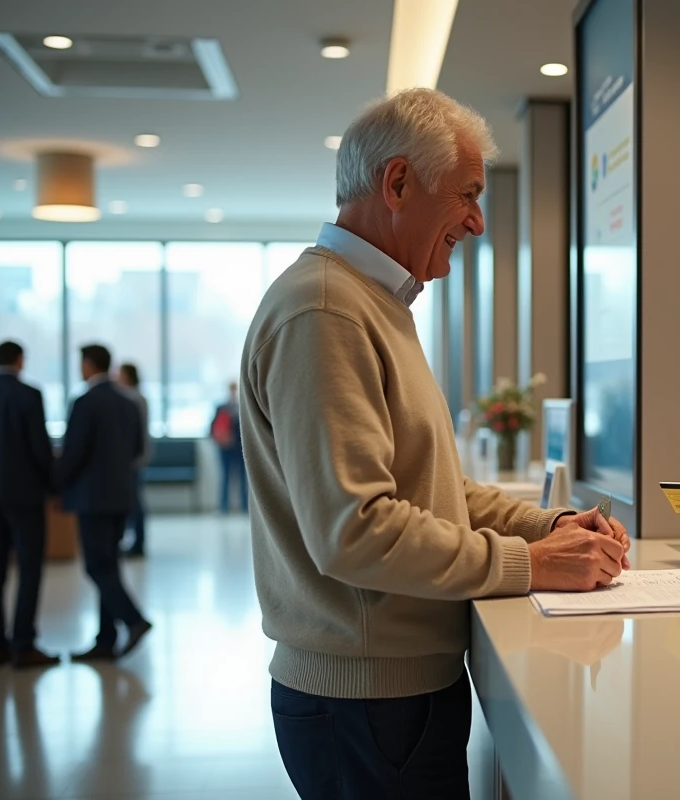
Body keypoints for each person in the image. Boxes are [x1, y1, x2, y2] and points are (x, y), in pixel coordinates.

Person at [241, 88, 629, 799]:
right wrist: (529, 563)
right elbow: (354, 532)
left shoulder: (373, 303)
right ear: (397, 183)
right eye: (468, 195)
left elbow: (432, 485)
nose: (478, 222)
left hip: (389, 695)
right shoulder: (326, 310)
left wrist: (548, 527)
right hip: (367, 703)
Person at [58, 344, 152, 660]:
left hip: (92, 498)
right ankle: (105, 640)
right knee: (108, 564)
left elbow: (74, 452)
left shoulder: (84, 403)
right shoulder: (128, 402)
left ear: (88, 365)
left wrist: (57, 485)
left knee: (97, 566)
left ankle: (134, 620)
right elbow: (138, 447)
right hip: (121, 495)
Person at [0, 341, 60, 668]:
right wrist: (53, 488)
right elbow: (39, 447)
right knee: (29, 568)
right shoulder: (28, 395)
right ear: (20, 360)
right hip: (24, 496)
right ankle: (23, 644)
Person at [116, 363, 151, 556]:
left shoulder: (133, 398)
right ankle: (135, 541)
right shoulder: (135, 397)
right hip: (134, 457)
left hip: (133, 458)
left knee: (135, 502)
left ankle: (138, 543)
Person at [210, 383, 247, 513]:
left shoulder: (242, 406)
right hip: (225, 448)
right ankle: (223, 507)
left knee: (243, 478)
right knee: (225, 478)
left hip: (240, 449)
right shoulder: (221, 408)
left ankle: (245, 507)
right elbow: (212, 428)